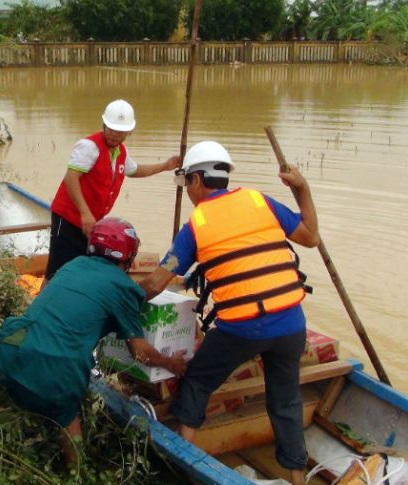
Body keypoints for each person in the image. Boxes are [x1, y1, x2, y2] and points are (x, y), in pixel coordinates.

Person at [0, 217, 187, 463]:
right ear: (127, 257)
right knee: (66, 415)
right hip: (58, 371)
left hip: (16, 344)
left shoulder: (72, 265)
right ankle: (76, 472)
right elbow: (139, 351)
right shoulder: (125, 288)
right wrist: (170, 363)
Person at [139, 141, 319, 485]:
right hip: (291, 324)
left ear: (195, 180)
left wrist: (123, 302)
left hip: (242, 329)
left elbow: (158, 281)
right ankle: (298, 478)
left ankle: (184, 464)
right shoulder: (259, 200)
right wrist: (302, 189)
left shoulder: (196, 225)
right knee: (286, 401)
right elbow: (310, 236)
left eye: (188, 184)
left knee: (198, 380)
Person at [45, 99, 180, 281]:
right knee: (57, 271)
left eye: (120, 131)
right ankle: (40, 306)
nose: (114, 134)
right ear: (104, 125)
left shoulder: (120, 152)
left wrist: (165, 166)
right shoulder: (89, 147)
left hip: (91, 224)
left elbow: (135, 170)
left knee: (81, 269)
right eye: (111, 129)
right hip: (69, 218)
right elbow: (71, 178)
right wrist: (85, 213)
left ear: (129, 132)